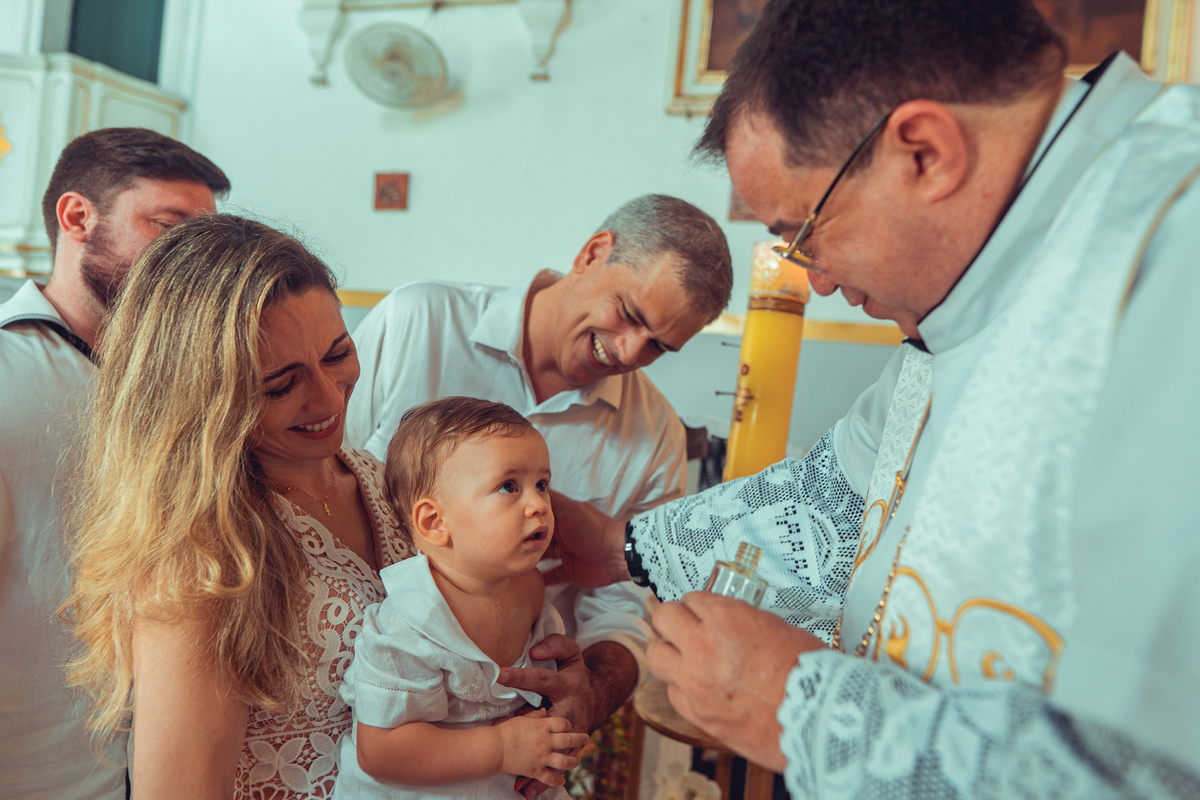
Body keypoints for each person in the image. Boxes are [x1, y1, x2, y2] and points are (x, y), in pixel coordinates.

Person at [546, 0, 1200, 797]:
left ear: (924, 152)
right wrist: (627, 546)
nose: (815, 280)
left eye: (805, 231)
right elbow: (837, 495)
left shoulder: (1174, 255)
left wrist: (802, 711)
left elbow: (1151, 764)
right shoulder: (966, 297)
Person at [345, 194, 733, 739]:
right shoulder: (420, 322)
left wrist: (594, 691)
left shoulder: (654, 436)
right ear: (594, 253)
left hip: (512, 721)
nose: (628, 352)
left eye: (657, 347)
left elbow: (625, 606)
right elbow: (322, 478)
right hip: (351, 682)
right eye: (629, 314)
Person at [63, 214, 415, 799]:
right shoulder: (201, 556)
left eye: (338, 353)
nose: (328, 398)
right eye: (280, 385)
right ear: (202, 397)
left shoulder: (385, 482)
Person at [0, 127, 228, 800]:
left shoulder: (179, 384)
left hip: (157, 765)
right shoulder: (9, 374)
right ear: (78, 217)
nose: (187, 262)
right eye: (167, 227)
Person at [335, 397, 591, 799]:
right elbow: (380, 750)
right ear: (435, 523)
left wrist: (555, 735)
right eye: (509, 486)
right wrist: (504, 748)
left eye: (542, 484)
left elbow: (549, 691)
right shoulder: (409, 622)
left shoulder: (531, 587)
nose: (538, 504)